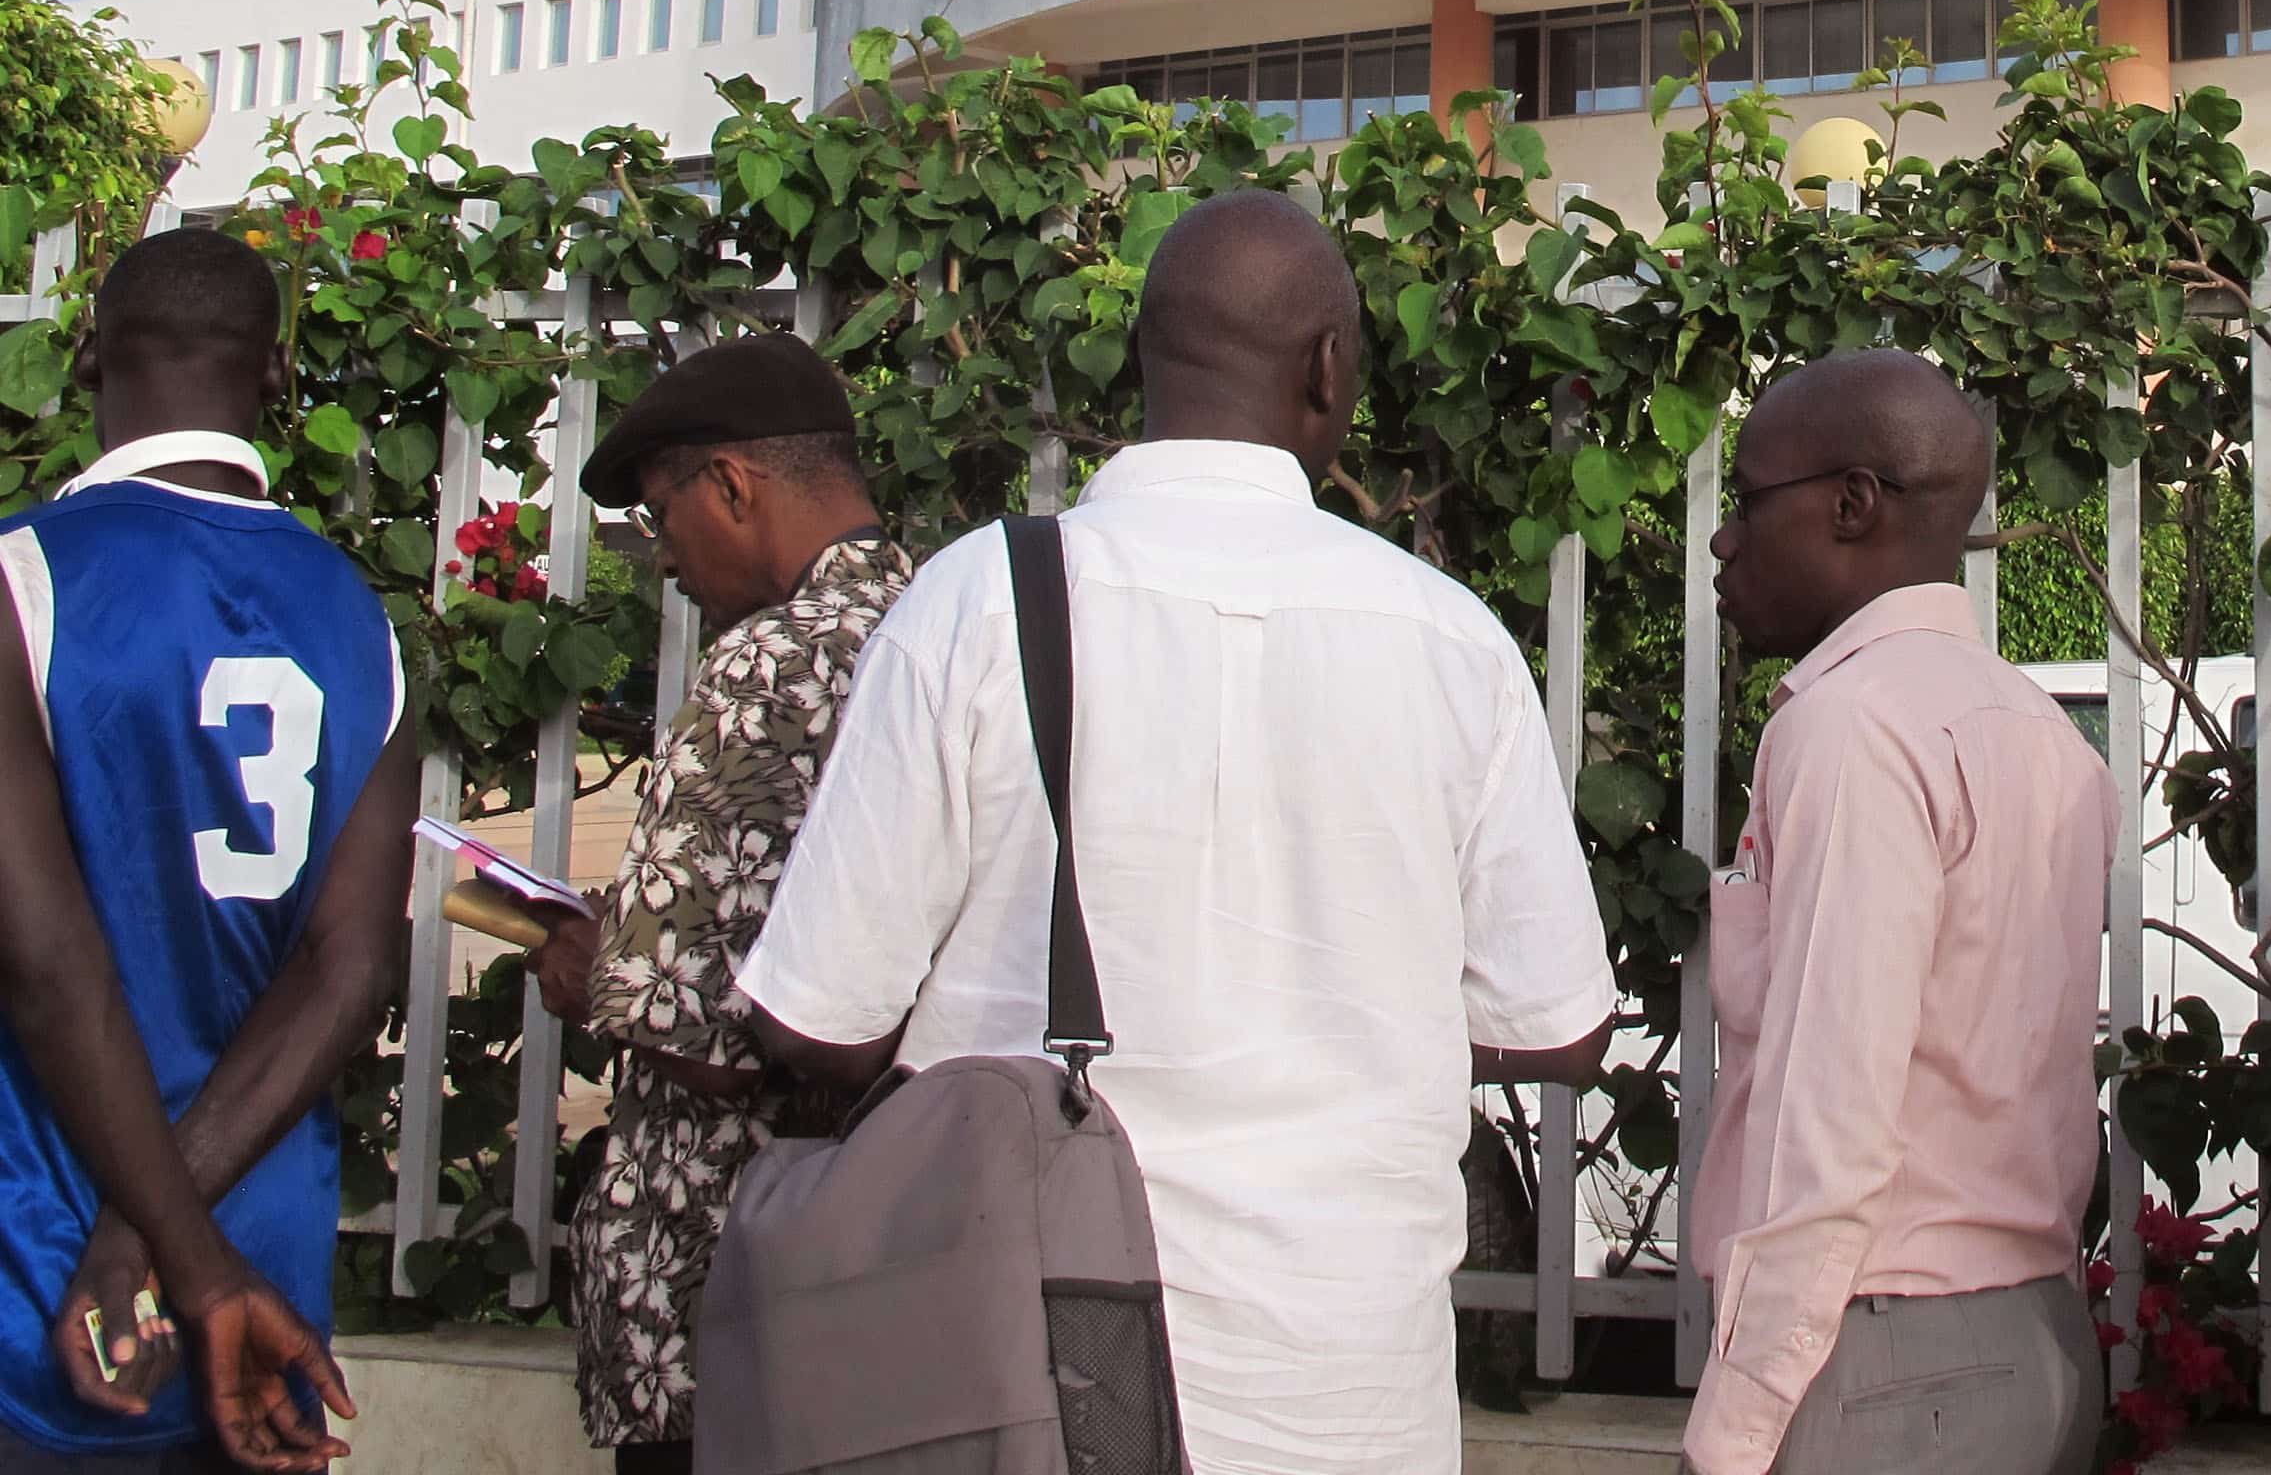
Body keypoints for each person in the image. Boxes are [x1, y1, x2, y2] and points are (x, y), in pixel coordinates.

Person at [736, 190, 1615, 1473]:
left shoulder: (982, 598)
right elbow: (1563, 1025)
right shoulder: (1450, 639)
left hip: (1031, 1377)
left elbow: (816, 1018)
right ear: (1328, 369)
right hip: (1353, 1395)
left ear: (1140, 357)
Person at [0, 228, 413, 1472]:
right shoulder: (360, 617)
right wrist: (181, 1244)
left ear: (85, 356)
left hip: (42, 1275)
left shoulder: (22, 580)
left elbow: (44, 956)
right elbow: (349, 970)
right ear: (280, 374)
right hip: (261, 1283)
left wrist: (145, 1238)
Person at [1685, 350, 2119, 1475]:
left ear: (1851, 503)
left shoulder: (1851, 728)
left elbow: (1828, 1117)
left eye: (1745, 499)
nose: (1722, 539)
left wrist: (1733, 1433)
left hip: (1885, 1366)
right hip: (2035, 1343)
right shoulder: (2043, 733)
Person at [526, 335, 911, 1475]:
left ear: (733, 484)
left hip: (718, 1296)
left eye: (659, 515)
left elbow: (698, 1032)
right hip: (882, 1278)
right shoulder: (949, 629)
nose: (661, 557)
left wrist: (586, 962)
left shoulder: (767, 664)